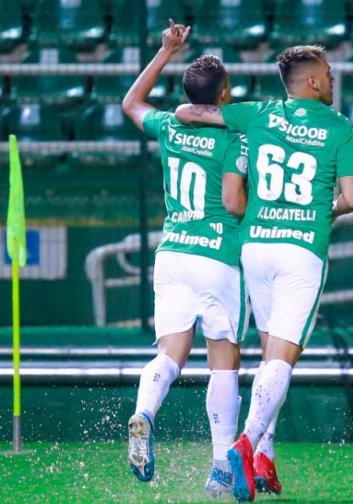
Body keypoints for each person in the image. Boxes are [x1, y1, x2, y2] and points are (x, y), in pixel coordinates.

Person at [176, 44, 353, 502]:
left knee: (266, 358)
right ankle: (245, 444)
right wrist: (327, 211)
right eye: (329, 73)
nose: (333, 80)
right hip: (301, 252)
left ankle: (265, 458)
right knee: (281, 360)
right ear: (314, 81)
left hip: (255, 248)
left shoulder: (256, 113)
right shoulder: (339, 128)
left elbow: (185, 110)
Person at [121, 20, 249, 498]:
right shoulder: (234, 138)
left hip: (172, 253)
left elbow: (131, 104)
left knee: (170, 356)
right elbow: (235, 203)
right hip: (217, 255)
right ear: (223, 93)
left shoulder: (171, 125)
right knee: (224, 361)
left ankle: (144, 413)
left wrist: (165, 51)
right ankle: (220, 466)